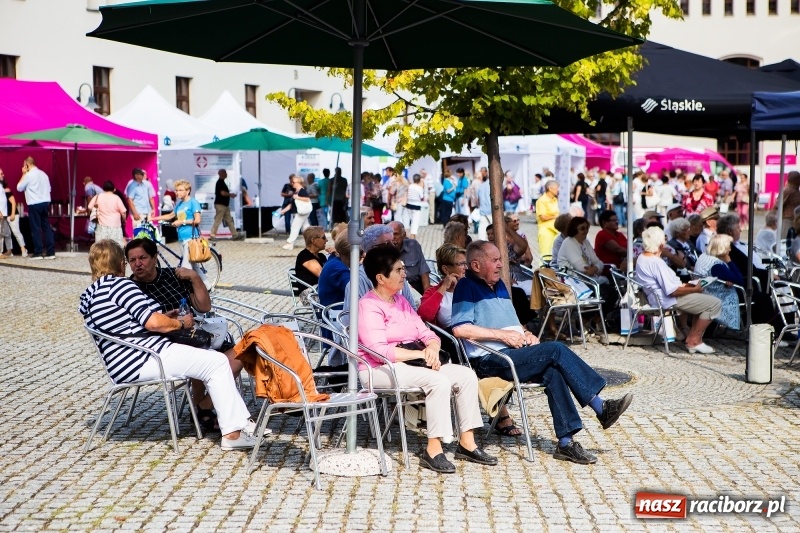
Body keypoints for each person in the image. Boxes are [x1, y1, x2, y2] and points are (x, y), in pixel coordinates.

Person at [452, 241, 633, 465]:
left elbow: (511, 324)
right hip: (488, 360)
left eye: (501, 259)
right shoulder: (465, 286)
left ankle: (566, 442)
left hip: (513, 353)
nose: (501, 264)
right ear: (476, 265)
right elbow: (460, 329)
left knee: (553, 371)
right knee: (556, 349)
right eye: (495, 260)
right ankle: (600, 407)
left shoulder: (498, 285)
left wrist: (525, 333)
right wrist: (503, 336)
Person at [82, 240, 258, 450]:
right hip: (145, 358)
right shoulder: (122, 286)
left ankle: (237, 424)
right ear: (121, 263)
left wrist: (163, 318)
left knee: (213, 360)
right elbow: (153, 323)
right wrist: (179, 323)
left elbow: (122, 326)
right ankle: (233, 433)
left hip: (121, 362)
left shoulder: (90, 295)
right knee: (218, 362)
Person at [358, 245, 497, 473]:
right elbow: (379, 350)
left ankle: (467, 442)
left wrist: (432, 347)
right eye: (399, 270)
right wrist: (421, 354)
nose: (405, 274)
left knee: (466, 375)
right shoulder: (368, 306)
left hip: (413, 363)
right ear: (381, 278)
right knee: (438, 382)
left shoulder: (400, 301)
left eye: (403, 269)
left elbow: (427, 333)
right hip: (379, 369)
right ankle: (433, 450)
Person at [635, 226, 721, 354]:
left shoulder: (642, 257)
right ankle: (694, 341)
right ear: (660, 245)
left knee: (704, 300)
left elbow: (670, 286)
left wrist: (690, 286)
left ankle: (692, 339)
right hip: (667, 300)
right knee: (715, 304)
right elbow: (672, 291)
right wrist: (695, 289)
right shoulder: (655, 262)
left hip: (660, 298)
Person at [343, 224, 416, 315]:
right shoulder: (358, 281)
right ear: (371, 249)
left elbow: (412, 307)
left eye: (392, 242)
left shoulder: (399, 273)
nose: (393, 247)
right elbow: (351, 319)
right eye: (387, 244)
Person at [150, 180, 206, 282]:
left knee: (185, 268)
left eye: (180, 190)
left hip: (191, 238)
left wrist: (181, 222)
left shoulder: (193, 202)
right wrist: (153, 219)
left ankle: (184, 292)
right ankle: (208, 286)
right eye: (176, 190)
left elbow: (197, 220)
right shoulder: (179, 205)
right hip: (182, 238)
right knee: (194, 266)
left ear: (188, 191)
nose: (177, 192)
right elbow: (170, 215)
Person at [693, 234, 742, 331]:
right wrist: (729, 262)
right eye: (728, 247)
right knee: (760, 298)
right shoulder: (716, 265)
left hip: (707, 289)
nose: (730, 250)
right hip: (717, 294)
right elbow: (740, 280)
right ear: (722, 249)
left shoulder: (704, 256)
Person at [16, 156, 55, 260]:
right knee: (46, 227)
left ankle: (38, 252)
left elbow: (19, 187)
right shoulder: (44, 174)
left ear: (27, 165)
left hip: (34, 203)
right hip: (45, 202)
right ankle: (51, 252)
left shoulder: (28, 175)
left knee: (35, 228)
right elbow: (49, 188)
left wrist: (23, 173)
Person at [388, 221, 430, 295]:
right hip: (395, 291)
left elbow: (424, 272)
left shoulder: (413, 245)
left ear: (403, 235)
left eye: (396, 234)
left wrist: (427, 297)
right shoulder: (383, 251)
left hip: (416, 287)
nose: (393, 238)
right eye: (390, 234)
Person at [88, 180, 127, 247]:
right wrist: (124, 220)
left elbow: (89, 207)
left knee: (102, 247)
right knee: (116, 247)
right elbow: (123, 212)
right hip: (115, 227)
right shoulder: (116, 198)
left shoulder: (98, 196)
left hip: (101, 226)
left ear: (103, 189)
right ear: (114, 189)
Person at [292, 226, 327, 296]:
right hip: (311, 294)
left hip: (321, 290)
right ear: (313, 240)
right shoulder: (305, 256)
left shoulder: (321, 256)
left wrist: (337, 255)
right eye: (323, 237)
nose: (326, 240)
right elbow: (324, 276)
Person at [280, 175, 312, 250]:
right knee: (306, 228)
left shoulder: (302, 191)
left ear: (298, 182)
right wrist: (284, 210)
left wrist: (297, 197)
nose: (292, 183)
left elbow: (307, 199)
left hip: (302, 212)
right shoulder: (297, 191)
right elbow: (292, 204)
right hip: (301, 212)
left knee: (295, 226)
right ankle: (311, 242)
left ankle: (290, 243)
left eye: (293, 182)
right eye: (292, 182)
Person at [210, 169, 243, 241]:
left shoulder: (222, 182)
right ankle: (212, 235)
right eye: (225, 173)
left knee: (229, 220)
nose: (226, 174)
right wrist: (230, 194)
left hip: (225, 205)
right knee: (218, 220)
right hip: (220, 205)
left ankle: (235, 235)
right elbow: (222, 193)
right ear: (221, 174)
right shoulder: (220, 183)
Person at [1, 169, 26, 256]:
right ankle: (9, 250)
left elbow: (13, 202)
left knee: (16, 232)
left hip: (12, 214)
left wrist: (12, 214)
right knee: (6, 233)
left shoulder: (6, 190)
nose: (2, 175)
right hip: (4, 214)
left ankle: (23, 249)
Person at [536, 180, 560, 257]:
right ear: (550, 188)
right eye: (557, 188)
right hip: (546, 230)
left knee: (555, 254)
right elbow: (542, 217)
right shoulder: (542, 200)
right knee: (545, 254)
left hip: (555, 230)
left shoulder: (555, 199)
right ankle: (543, 269)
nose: (558, 190)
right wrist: (555, 216)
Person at [406, 174, 426, 239]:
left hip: (408, 204)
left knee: (411, 220)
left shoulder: (410, 186)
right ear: (419, 180)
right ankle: (412, 236)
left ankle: (411, 234)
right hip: (416, 205)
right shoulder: (419, 188)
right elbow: (422, 197)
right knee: (415, 221)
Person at [781, 171, 800, 239]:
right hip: (788, 220)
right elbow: (778, 205)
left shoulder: (796, 191)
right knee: (786, 238)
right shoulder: (788, 190)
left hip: (796, 220)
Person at [477, 172, 491, 240]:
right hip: (491, 210)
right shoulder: (493, 185)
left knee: (482, 228)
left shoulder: (482, 185)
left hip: (483, 209)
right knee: (495, 229)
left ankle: (481, 245)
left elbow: (478, 199)